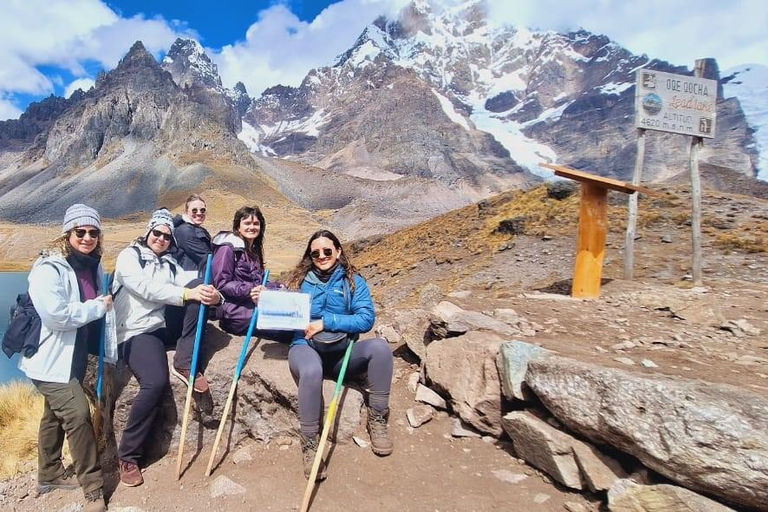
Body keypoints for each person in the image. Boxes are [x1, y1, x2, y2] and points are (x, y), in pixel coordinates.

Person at [112, 208, 222, 487]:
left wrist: (213, 294)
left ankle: (184, 362)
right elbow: (143, 288)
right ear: (148, 232)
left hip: (160, 326)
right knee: (155, 382)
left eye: (166, 236)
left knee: (199, 286)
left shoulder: (169, 264)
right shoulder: (129, 256)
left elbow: (189, 284)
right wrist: (187, 293)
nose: (161, 238)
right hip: (137, 331)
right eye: (157, 233)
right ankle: (128, 455)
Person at [19, 204, 115, 512]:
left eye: (93, 232)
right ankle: (93, 489)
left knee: (53, 414)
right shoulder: (50, 268)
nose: (87, 237)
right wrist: (99, 306)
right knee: (76, 414)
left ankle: (49, 474)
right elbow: (57, 315)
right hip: (48, 358)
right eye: (80, 231)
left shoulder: (92, 264)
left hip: (72, 356)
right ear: (67, 233)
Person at [285, 230, 394, 480]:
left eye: (327, 251)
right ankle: (311, 444)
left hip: (341, 352)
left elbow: (366, 319)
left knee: (380, 349)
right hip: (306, 346)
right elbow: (284, 310)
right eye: (315, 253)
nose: (321, 256)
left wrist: (326, 322)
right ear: (310, 257)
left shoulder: (353, 280)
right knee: (311, 372)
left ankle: (377, 418)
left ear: (338, 251)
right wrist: (267, 299)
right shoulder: (299, 282)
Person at [211, 205, 274, 335]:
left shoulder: (253, 251)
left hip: (251, 306)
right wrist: (251, 290)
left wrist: (276, 286)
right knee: (283, 327)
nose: (252, 227)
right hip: (235, 313)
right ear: (238, 226)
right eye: (247, 223)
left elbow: (259, 282)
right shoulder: (228, 249)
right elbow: (222, 284)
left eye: (256, 223)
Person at [172, 194, 212, 277]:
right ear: (187, 212)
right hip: (191, 277)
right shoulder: (185, 231)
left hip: (198, 274)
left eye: (202, 210)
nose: (199, 213)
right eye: (194, 210)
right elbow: (204, 256)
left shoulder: (197, 229)